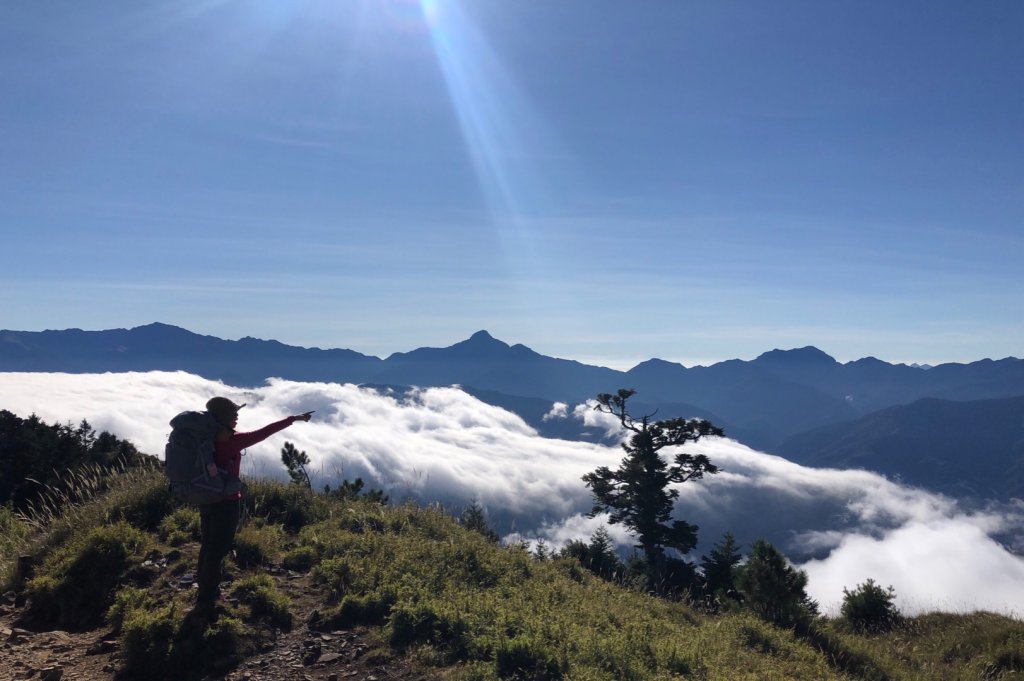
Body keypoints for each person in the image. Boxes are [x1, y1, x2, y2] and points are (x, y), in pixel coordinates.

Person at [193, 396, 313, 616]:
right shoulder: (231, 441)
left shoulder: (206, 437)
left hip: (206, 498)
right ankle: (208, 596)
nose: (237, 415)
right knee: (218, 548)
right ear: (222, 417)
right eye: (233, 413)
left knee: (208, 544)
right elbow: (263, 432)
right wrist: (292, 419)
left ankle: (204, 589)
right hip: (225, 502)